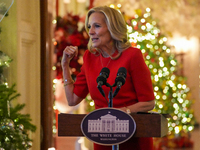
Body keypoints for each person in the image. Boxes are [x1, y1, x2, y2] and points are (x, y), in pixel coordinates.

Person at [61, 6, 155, 150]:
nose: (91, 31)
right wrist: (65, 65)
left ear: (112, 28)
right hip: (103, 137)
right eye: (89, 27)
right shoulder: (90, 58)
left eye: (97, 26)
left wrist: (124, 111)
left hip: (133, 136)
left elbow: (149, 103)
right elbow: (72, 99)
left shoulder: (132, 56)